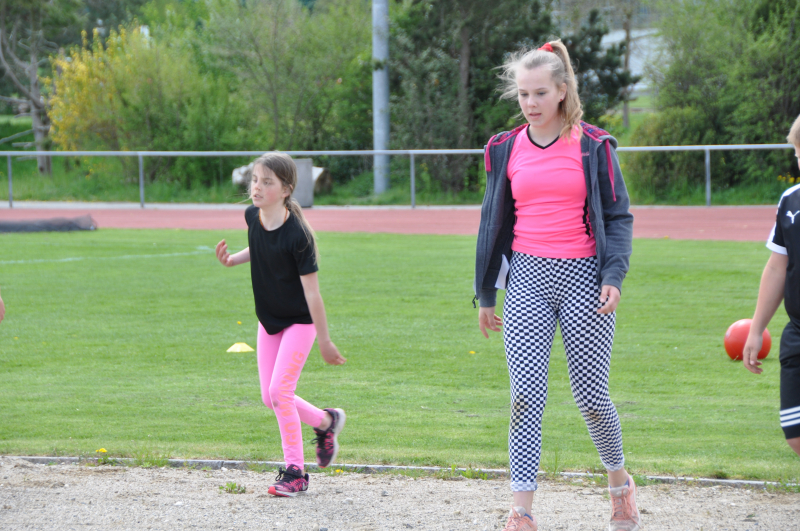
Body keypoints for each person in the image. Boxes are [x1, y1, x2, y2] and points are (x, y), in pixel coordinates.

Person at [474, 40, 638, 531]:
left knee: (591, 397)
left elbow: (618, 216)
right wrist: (487, 293)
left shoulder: (594, 146)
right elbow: (491, 223)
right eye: (523, 94)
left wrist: (613, 277)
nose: (530, 103)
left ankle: (619, 484)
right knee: (525, 395)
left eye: (540, 93)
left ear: (562, 91)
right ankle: (521, 511)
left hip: (585, 278)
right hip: (526, 278)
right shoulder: (504, 148)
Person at [215, 152, 346, 497]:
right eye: (255, 180)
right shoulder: (252, 216)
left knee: (279, 392)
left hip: (300, 322)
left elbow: (313, 294)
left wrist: (325, 340)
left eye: (267, 182)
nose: (256, 187)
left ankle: (295, 473)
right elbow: (259, 246)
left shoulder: (298, 236)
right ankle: (326, 422)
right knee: (269, 396)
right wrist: (233, 260)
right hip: (269, 320)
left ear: (286, 190)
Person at [743, 113, 800, 458]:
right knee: (795, 435)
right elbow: (777, 267)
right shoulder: (790, 201)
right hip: (797, 332)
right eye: (798, 152)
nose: (798, 158)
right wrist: (756, 329)